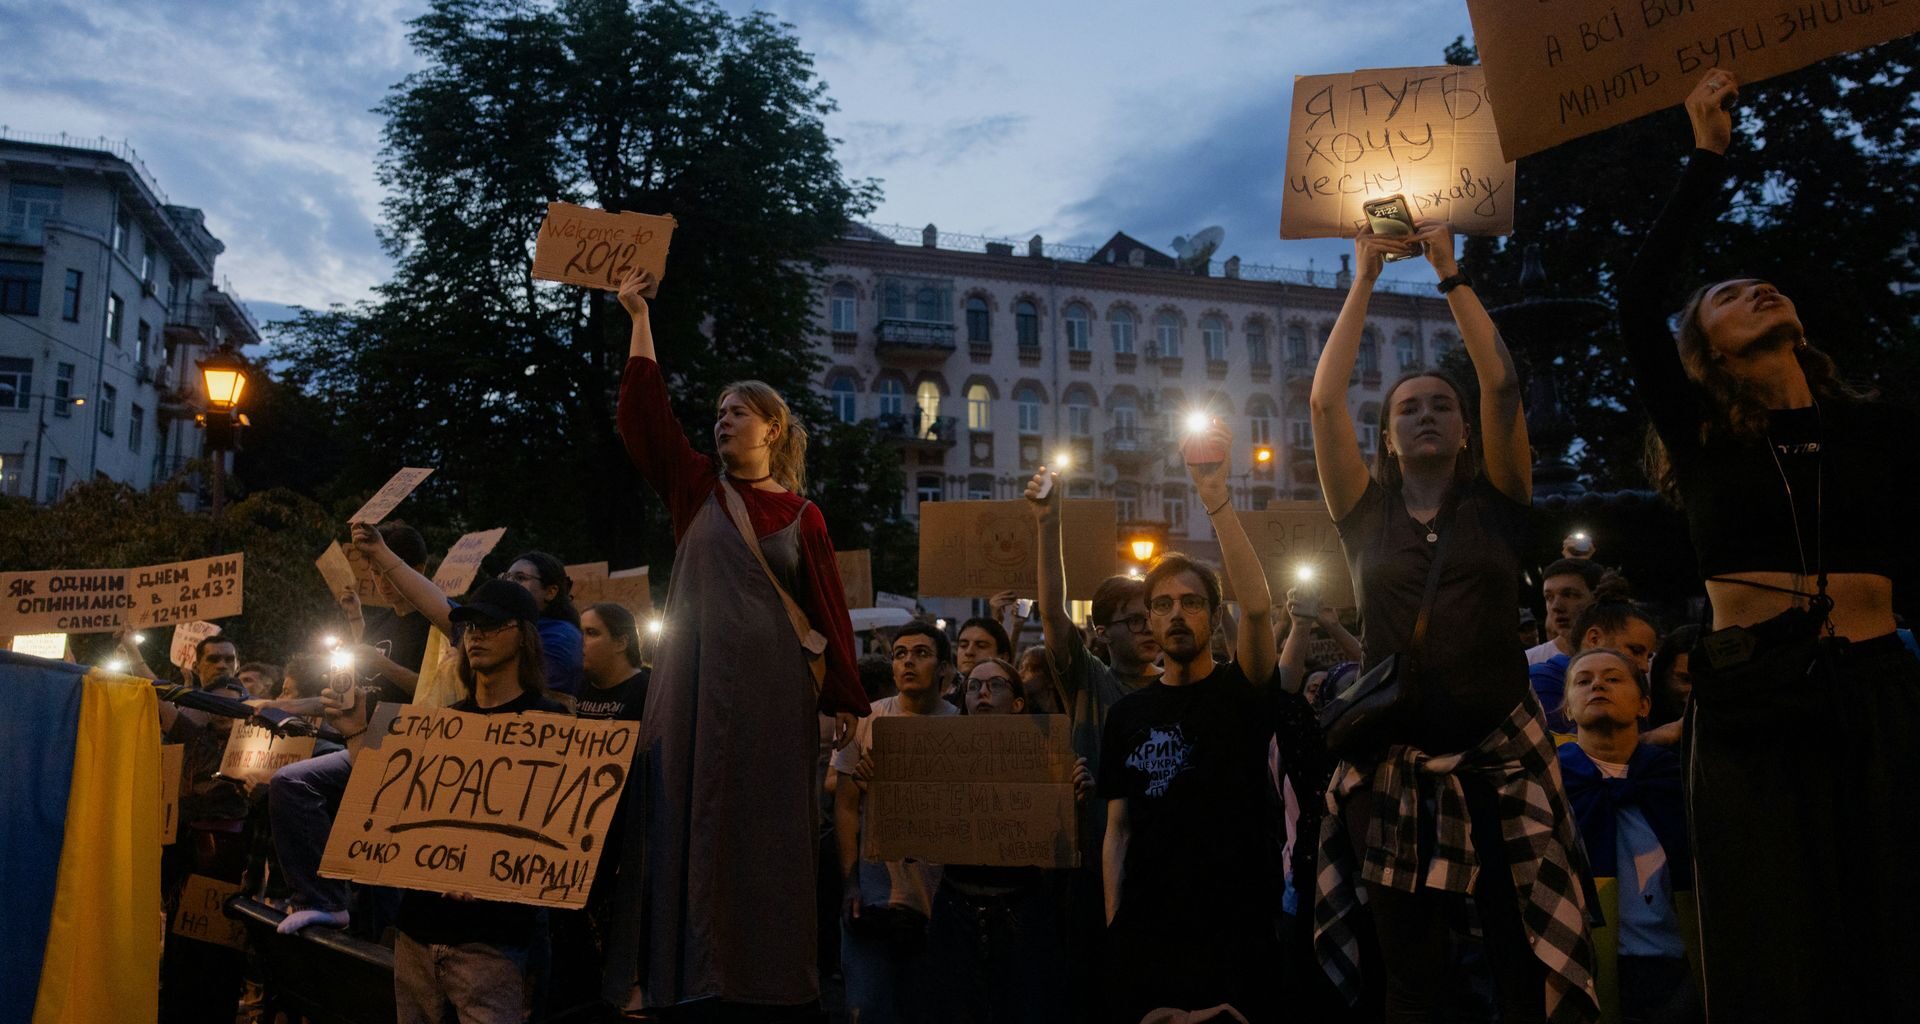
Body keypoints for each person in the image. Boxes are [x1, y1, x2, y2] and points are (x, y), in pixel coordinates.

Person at [1618, 70, 1920, 1018]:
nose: (1754, 288)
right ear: (1700, 353)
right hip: (1754, 700)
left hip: (1878, 689)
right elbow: (1635, 298)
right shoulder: (1706, 438)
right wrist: (1707, 156)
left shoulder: (1872, 431)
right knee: (1777, 936)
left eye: (1763, 285)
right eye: (1726, 294)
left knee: (1896, 922)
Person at [1309, 217, 1596, 1023]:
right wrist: (1363, 277)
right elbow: (1325, 399)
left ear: (1466, 432)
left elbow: (1502, 384)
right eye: (1408, 411)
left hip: (1505, 764)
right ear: (1390, 442)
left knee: (1521, 956)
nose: (1426, 415)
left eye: (1441, 406)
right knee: (1413, 974)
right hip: (1401, 772)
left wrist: (1449, 273)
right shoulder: (1366, 517)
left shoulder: (1498, 507)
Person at [605, 267, 869, 1020]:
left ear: (773, 430)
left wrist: (847, 697)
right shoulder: (693, 488)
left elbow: (830, 610)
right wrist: (638, 316)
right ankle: (677, 977)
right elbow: (645, 418)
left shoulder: (802, 515)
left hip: (771, 701)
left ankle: (764, 981)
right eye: (718, 413)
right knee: (681, 821)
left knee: (764, 835)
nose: (722, 422)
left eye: (739, 413)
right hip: (687, 692)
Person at [1098, 420, 1325, 1024]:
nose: (1176, 614)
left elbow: (1256, 607)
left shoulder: (1241, 691)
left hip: (1237, 926)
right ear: (1147, 618)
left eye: (1191, 602)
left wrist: (1215, 499)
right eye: (1163, 604)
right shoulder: (1125, 716)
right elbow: (1117, 831)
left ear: (1209, 615)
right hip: (1150, 931)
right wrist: (1115, 922)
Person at [381, 579, 568, 1024]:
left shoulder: (553, 724)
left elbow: (558, 834)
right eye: (468, 626)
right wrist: (355, 731)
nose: (475, 635)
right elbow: (391, 808)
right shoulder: (444, 722)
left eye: (489, 624)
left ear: (523, 634)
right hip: (416, 936)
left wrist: (484, 871)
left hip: (492, 945)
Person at [1024, 465, 1164, 1020]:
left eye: (1149, 614)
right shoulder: (1089, 680)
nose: (1148, 627)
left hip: (1162, 867)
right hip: (1089, 866)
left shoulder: (1180, 686)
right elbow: (1054, 614)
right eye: (1132, 620)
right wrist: (1048, 522)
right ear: (1103, 632)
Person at [909, 656, 1091, 1024]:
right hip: (956, 909)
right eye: (973, 687)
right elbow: (917, 843)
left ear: (1019, 703)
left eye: (995, 685)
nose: (982, 693)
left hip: (1021, 910)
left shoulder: (1048, 758)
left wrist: (1073, 800)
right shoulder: (939, 756)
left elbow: (1059, 847)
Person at [1555, 649, 1700, 1024]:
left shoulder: (1677, 779)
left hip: (1678, 968)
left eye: (1613, 678)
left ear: (1644, 704)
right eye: (1583, 681)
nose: (1598, 684)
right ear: (1568, 710)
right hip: (1582, 967)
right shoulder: (1552, 786)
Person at [831, 622, 956, 1024]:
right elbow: (846, 806)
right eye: (900, 654)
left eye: (921, 653)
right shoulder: (867, 722)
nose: (908, 662)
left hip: (937, 896)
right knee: (868, 1007)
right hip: (874, 897)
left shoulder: (963, 727)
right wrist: (851, 881)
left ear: (944, 669)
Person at [1530, 597, 1660, 736]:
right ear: (1594, 639)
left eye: (1648, 657)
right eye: (1635, 650)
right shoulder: (1541, 681)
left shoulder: (1635, 692)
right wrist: (1650, 740)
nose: (1645, 667)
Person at [337, 521, 434, 704]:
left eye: (389, 573)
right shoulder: (376, 625)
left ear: (418, 570)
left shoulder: (438, 627)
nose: (382, 582)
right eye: (376, 572)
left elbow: (439, 693)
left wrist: (383, 664)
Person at [576, 601, 649, 722]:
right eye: (579, 632)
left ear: (621, 643)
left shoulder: (646, 694)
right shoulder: (579, 687)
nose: (580, 640)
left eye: (591, 633)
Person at [1528, 558, 1605, 666]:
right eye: (1549, 597)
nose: (1556, 606)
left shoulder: (1626, 658)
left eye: (1569, 595)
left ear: (1597, 599)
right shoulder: (1530, 662)